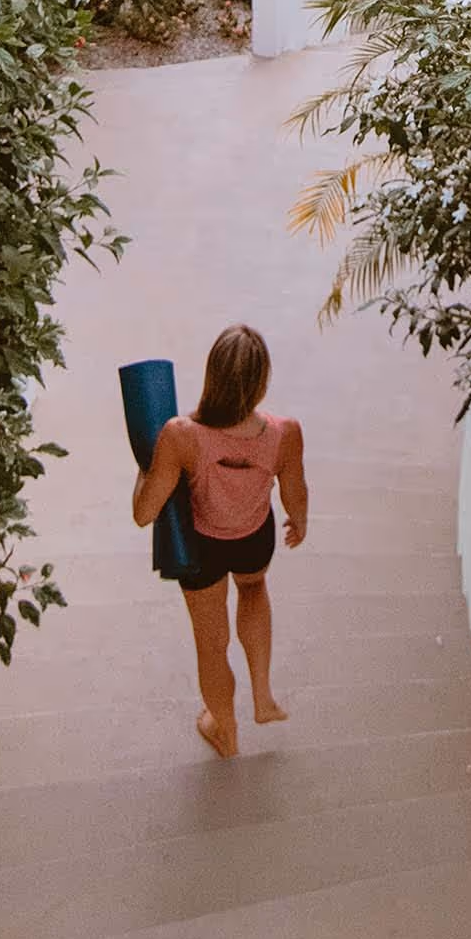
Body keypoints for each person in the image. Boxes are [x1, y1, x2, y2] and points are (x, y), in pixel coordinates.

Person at [131, 324, 307, 760]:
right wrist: (299, 521)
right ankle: (262, 695)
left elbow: (144, 513)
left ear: (213, 374)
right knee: (254, 588)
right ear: (261, 383)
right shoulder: (285, 433)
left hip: (201, 550)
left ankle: (224, 731)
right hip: (255, 537)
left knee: (211, 645)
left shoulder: (180, 435)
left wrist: (147, 463)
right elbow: (295, 491)